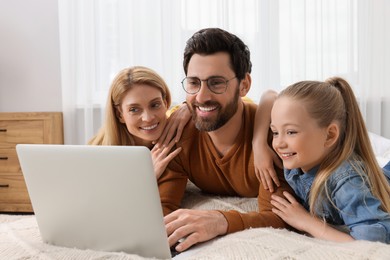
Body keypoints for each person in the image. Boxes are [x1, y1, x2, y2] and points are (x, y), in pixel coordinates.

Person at [158, 28, 294, 252]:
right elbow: (163, 208)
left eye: (216, 82)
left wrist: (222, 220)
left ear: (244, 85)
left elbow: (279, 217)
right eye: (194, 83)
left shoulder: (274, 136)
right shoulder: (178, 135)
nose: (201, 96)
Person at [270, 77, 390, 243]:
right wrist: (259, 146)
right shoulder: (293, 161)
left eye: (291, 132)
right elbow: (266, 97)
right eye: (275, 132)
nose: (278, 144)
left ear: (330, 135)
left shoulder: (345, 181)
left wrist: (307, 222)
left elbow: (372, 241)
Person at [88, 66, 190, 179]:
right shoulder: (96, 154)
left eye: (155, 105)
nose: (148, 118)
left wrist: (188, 107)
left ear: (165, 103)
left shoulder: (177, 123)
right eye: (134, 109)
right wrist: (146, 176)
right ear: (120, 115)